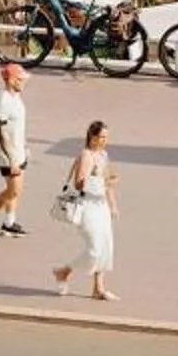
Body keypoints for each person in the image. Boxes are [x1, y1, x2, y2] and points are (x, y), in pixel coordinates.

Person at [52, 118, 119, 303]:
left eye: (106, 137)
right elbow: (79, 183)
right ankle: (64, 271)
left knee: (105, 247)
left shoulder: (104, 155)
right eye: (102, 137)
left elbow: (108, 182)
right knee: (95, 249)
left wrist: (113, 204)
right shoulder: (86, 155)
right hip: (88, 206)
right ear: (92, 137)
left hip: (101, 206)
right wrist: (103, 183)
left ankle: (98, 288)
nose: (105, 140)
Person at [0, 60, 28, 236]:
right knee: (13, 190)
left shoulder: (16, 97)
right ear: (11, 80)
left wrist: (23, 147)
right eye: (20, 79)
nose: (24, 82)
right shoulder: (3, 102)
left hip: (19, 151)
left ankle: (9, 223)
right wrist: (11, 159)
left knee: (16, 191)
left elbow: (16, 126)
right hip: (8, 155)